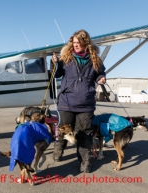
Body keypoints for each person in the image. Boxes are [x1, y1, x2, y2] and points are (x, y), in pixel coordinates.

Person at [51, 29, 106, 173]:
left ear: (85, 43)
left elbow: (100, 72)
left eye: (78, 43)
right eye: (74, 42)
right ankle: (58, 151)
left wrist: (101, 77)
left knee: (85, 134)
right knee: (63, 131)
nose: (75, 45)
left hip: (85, 104)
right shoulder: (66, 57)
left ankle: (85, 162)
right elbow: (57, 74)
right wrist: (55, 64)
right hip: (66, 102)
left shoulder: (95, 59)